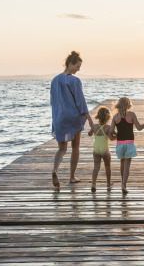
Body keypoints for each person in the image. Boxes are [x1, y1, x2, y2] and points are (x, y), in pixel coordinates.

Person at [50, 51, 94, 188]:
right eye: (77, 66)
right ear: (70, 64)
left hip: (59, 118)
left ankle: (54, 170)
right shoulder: (74, 80)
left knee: (62, 149)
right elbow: (80, 102)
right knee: (75, 147)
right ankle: (72, 177)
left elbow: (53, 101)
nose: (78, 69)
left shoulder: (55, 80)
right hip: (73, 118)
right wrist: (90, 120)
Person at [109, 97, 144, 194]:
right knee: (127, 166)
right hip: (129, 144)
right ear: (128, 105)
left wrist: (115, 136)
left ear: (118, 105)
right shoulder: (131, 115)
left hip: (120, 144)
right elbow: (139, 128)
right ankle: (124, 185)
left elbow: (110, 131)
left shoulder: (116, 117)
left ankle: (122, 184)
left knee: (122, 164)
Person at [88, 106, 115, 192]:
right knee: (107, 166)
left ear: (98, 116)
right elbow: (111, 138)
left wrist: (92, 130)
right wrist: (117, 136)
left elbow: (89, 134)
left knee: (96, 167)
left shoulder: (95, 126)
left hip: (96, 149)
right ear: (108, 117)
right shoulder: (108, 127)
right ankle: (108, 182)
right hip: (105, 150)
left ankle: (93, 183)